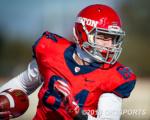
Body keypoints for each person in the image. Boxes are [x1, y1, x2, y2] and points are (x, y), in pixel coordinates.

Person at [0, 4, 136, 120]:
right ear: (81, 33)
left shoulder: (113, 76)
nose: (111, 45)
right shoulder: (52, 52)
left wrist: (79, 114)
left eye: (114, 39)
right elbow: (23, 84)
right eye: (104, 37)